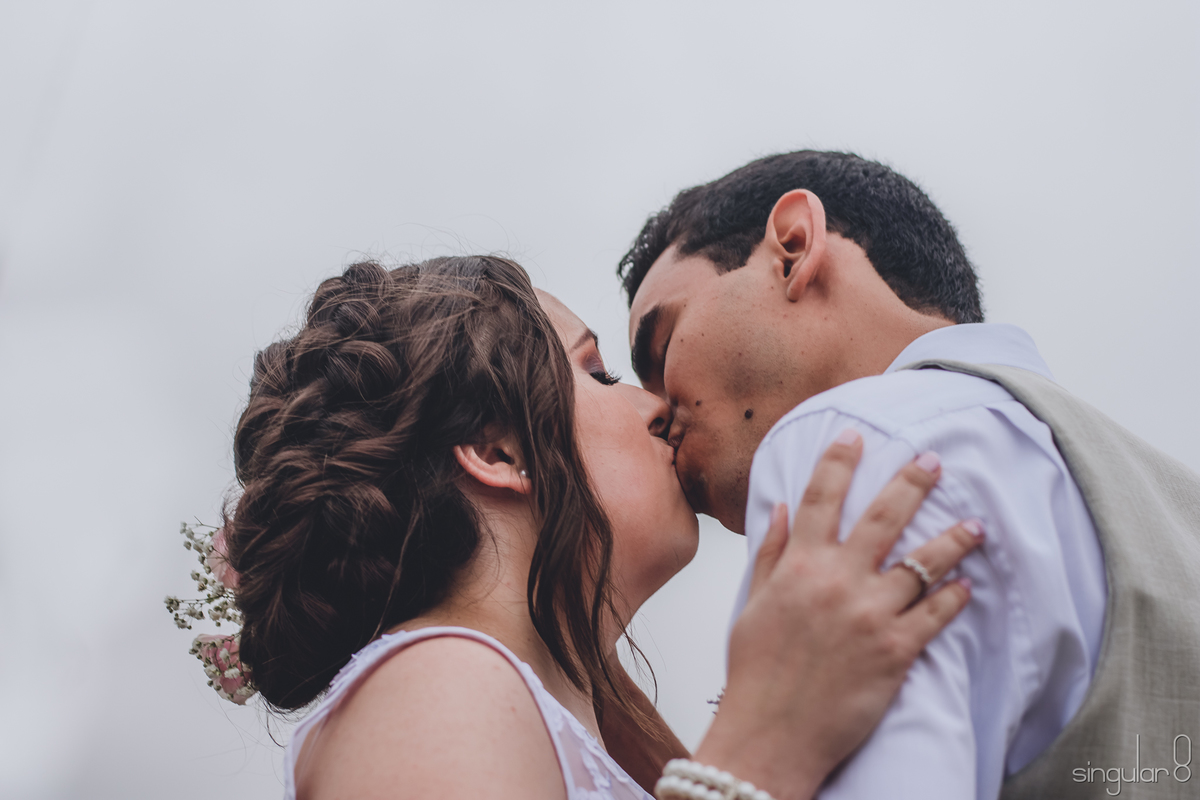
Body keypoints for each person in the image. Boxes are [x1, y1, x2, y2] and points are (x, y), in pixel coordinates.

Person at [211, 256, 984, 800]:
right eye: (597, 373)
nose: (656, 406)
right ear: (497, 449)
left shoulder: (536, 712)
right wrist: (762, 749)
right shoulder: (439, 682)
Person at [618, 150, 1200, 799]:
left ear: (792, 246)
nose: (655, 410)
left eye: (661, 347)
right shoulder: (1165, 502)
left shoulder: (853, 438)